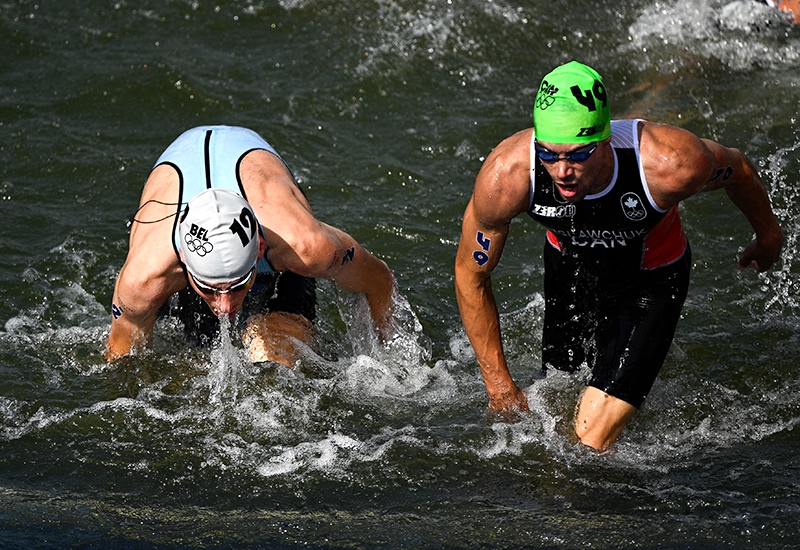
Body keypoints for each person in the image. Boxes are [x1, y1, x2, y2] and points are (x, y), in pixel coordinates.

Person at [454, 61, 783, 451]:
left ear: (606, 138)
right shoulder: (507, 176)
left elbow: (740, 168)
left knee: (588, 440)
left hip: (651, 279)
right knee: (554, 403)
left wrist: (768, 235)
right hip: (570, 272)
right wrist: (500, 387)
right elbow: (469, 275)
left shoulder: (669, 165)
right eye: (549, 153)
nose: (561, 172)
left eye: (578, 155)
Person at [106, 125, 396, 367]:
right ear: (183, 257)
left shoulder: (304, 245)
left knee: (274, 361)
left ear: (259, 249)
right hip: (182, 187)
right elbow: (121, 365)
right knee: (182, 370)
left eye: (237, 285)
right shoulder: (144, 277)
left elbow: (379, 279)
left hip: (265, 197)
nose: (225, 307)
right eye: (209, 289)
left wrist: (390, 358)